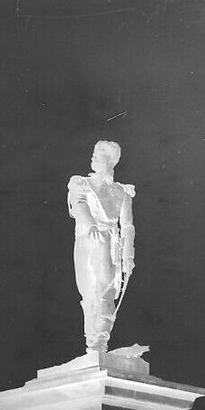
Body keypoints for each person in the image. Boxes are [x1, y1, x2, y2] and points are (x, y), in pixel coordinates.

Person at [68, 140, 135, 353]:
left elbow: (127, 226)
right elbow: (78, 205)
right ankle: (92, 340)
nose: (93, 157)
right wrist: (90, 224)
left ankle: (100, 340)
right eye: (94, 153)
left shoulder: (122, 193)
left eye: (99, 155)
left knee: (106, 290)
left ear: (110, 161)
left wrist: (129, 257)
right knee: (89, 292)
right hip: (89, 241)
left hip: (110, 244)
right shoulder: (81, 183)